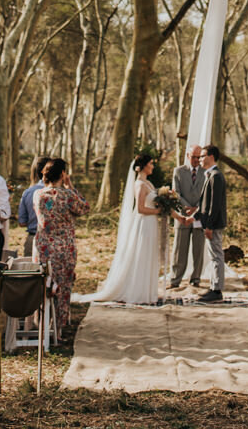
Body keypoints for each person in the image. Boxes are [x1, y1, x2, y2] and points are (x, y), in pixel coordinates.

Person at [74, 152, 163, 305]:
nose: (153, 167)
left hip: (151, 224)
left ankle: (148, 291)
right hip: (144, 224)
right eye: (150, 164)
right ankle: (138, 291)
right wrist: (158, 212)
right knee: (142, 255)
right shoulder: (140, 185)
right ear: (143, 166)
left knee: (149, 254)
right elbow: (141, 209)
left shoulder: (149, 183)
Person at [32, 158, 88, 344]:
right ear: (62, 174)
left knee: (44, 285)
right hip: (64, 248)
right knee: (63, 289)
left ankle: (40, 323)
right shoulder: (67, 196)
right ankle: (58, 329)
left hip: (43, 247)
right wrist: (70, 186)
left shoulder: (38, 195)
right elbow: (84, 207)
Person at [168, 146, 208, 290]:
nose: (197, 160)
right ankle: (175, 279)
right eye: (194, 157)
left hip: (199, 216)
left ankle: (195, 278)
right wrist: (186, 208)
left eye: (199, 157)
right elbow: (176, 193)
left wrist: (196, 209)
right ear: (187, 155)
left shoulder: (206, 172)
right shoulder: (178, 171)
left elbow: (206, 195)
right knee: (179, 248)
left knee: (198, 248)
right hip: (182, 215)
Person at [194, 145, 229, 302]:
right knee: (214, 255)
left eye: (202, 156)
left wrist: (209, 226)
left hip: (213, 225)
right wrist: (195, 216)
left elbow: (215, 205)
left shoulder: (216, 176)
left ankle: (216, 290)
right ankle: (214, 286)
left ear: (212, 156)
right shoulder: (210, 175)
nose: (199, 159)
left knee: (216, 256)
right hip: (208, 223)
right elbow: (205, 203)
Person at [18, 156, 51, 258]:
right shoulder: (56, 193)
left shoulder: (28, 192)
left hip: (32, 240)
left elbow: (22, 222)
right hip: (52, 241)